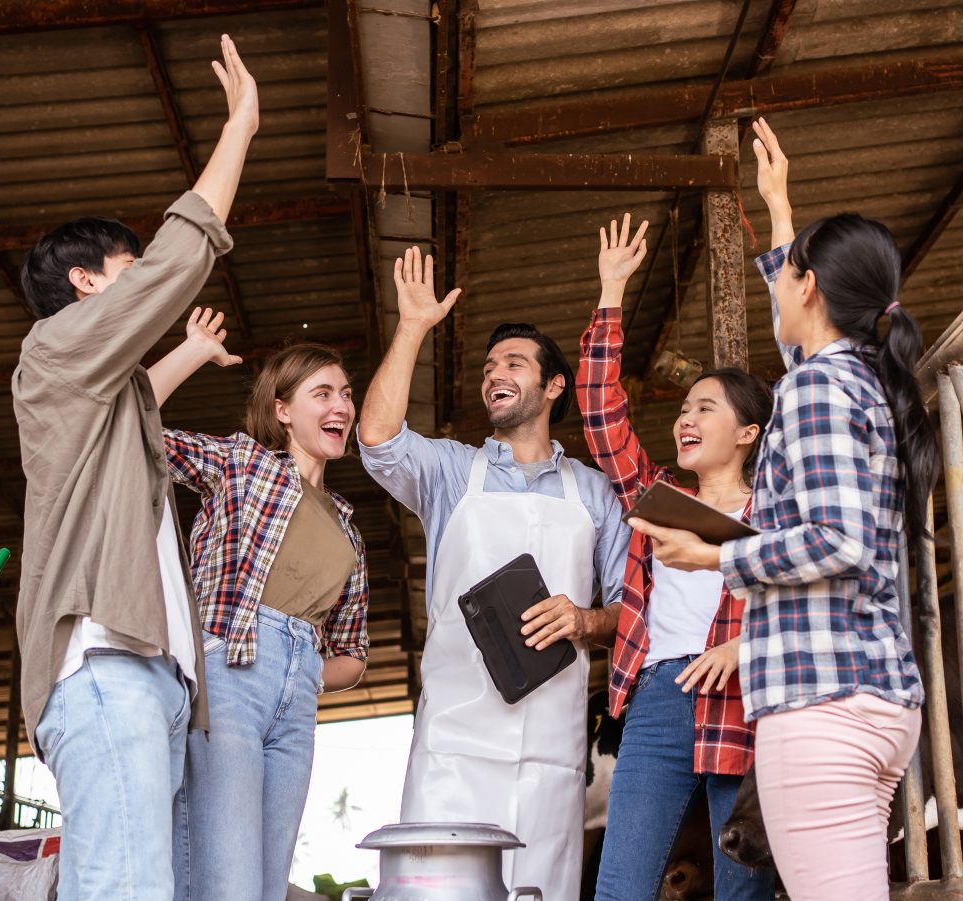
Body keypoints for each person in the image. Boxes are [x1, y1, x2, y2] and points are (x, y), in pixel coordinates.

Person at [631, 118, 938, 901]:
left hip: (820, 701)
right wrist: (779, 209)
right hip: (872, 696)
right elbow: (797, 338)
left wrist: (716, 557)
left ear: (812, 288)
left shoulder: (813, 388)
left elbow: (837, 538)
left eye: (788, 274)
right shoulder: (860, 378)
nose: (779, 287)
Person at [13, 36, 257, 901]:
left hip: (143, 675)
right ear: (86, 285)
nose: (141, 287)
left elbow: (134, 403)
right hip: (105, 666)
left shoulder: (92, 393)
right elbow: (177, 259)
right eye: (124, 276)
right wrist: (242, 126)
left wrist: (187, 354)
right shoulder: (52, 351)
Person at [357, 247, 631, 900]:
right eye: (487, 367)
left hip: (549, 757)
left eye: (513, 363)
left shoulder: (596, 492)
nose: (494, 373)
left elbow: (634, 608)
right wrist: (413, 326)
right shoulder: (451, 470)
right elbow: (375, 437)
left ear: (554, 385)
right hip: (453, 746)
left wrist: (585, 618)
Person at [577, 215, 776, 901]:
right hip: (660, 693)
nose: (686, 418)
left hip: (747, 697)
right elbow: (603, 416)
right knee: (622, 885)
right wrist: (610, 293)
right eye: (684, 408)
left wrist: (746, 648)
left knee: (743, 886)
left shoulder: (775, 515)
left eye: (707, 409)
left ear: (748, 432)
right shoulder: (655, 497)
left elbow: (811, 600)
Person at [146, 315, 370, 901]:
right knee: (228, 880)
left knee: (269, 885)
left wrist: (307, 670)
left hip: (297, 703)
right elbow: (136, 426)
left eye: (345, 393)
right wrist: (193, 351)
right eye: (322, 393)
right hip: (231, 678)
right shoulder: (242, 464)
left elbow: (353, 652)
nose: (341, 405)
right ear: (282, 411)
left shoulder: (349, 528)